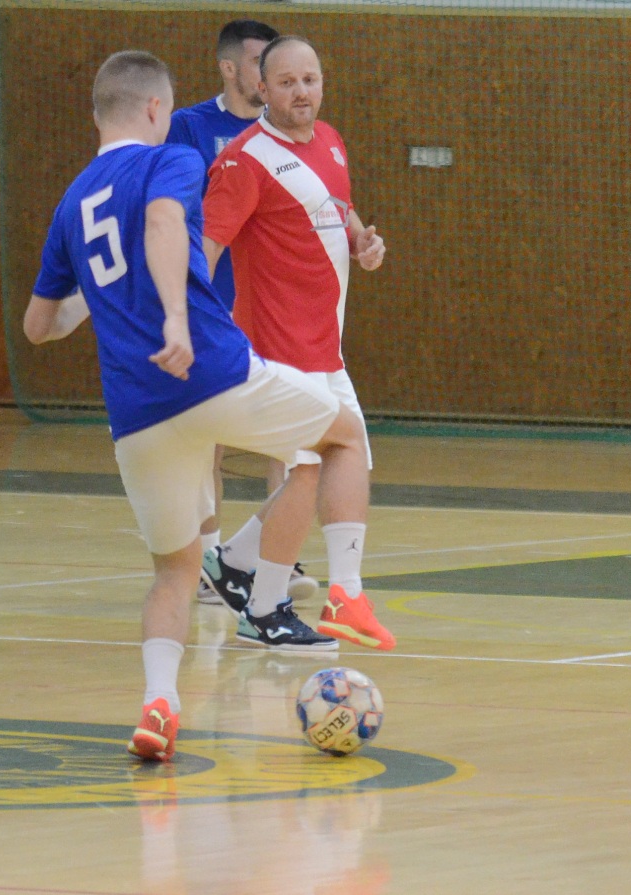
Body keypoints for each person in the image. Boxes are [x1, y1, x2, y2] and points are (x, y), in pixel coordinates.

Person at [23, 49, 375, 760]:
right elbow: (163, 225)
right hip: (211, 372)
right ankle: (344, 593)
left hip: (135, 414)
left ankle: (159, 701)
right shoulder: (173, 159)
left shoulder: (72, 202)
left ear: (98, 114)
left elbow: (39, 326)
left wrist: (105, 297)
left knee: (174, 571)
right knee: (342, 438)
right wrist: (177, 320)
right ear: (157, 108)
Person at [200, 34, 396, 651]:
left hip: (325, 348)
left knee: (341, 457)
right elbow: (203, 252)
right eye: (286, 83)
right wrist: (190, 332)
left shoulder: (330, 140)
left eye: (309, 80)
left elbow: (338, 207)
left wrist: (363, 242)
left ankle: (239, 563)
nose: (301, 92)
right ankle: (269, 609)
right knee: (310, 468)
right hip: (277, 351)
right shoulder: (244, 161)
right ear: (262, 88)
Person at [164, 19, 319, 609]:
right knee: (210, 441)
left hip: (272, 306)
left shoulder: (290, 136)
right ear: (230, 68)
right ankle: (211, 564)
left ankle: (276, 553)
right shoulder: (191, 128)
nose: (272, 75)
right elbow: (172, 209)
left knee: (292, 436)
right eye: (261, 63)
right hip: (213, 307)